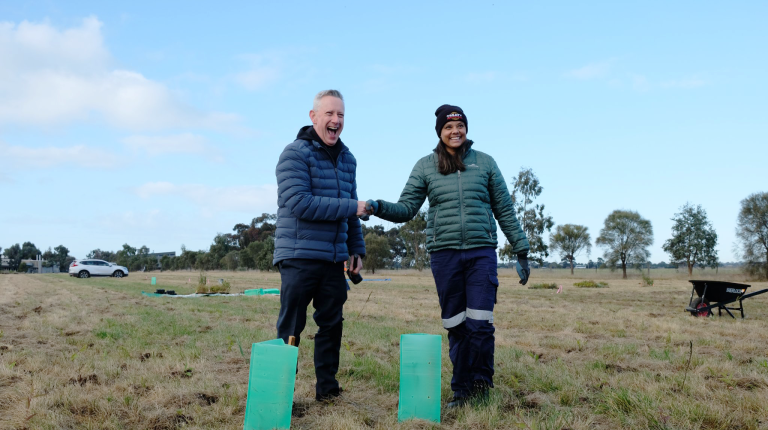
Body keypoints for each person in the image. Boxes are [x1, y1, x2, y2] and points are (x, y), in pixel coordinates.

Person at [364, 104, 530, 408]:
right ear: (440, 133)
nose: (456, 132)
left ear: (466, 129)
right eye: (448, 128)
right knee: (456, 325)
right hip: (445, 255)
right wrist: (377, 206)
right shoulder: (426, 166)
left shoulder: (486, 163)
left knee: (480, 323)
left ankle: (481, 389)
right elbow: (406, 209)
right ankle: (461, 390)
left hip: (481, 253)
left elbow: (504, 208)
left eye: (460, 126)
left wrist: (521, 249)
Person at [273, 89, 367, 402]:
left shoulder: (348, 159)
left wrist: (356, 249)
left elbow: (351, 209)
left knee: (332, 325)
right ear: (314, 117)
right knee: (292, 326)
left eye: (340, 115)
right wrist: (352, 208)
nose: (335, 120)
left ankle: (327, 390)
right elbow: (301, 204)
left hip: (333, 259)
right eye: (329, 114)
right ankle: (279, 395)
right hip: (299, 256)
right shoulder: (294, 154)